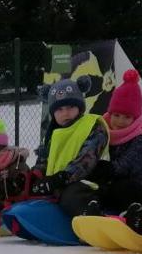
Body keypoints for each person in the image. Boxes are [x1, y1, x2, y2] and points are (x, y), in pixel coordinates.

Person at [76, 69, 142, 215]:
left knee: (123, 187)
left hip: (135, 187)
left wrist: (106, 168)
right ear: (110, 114)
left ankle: (132, 214)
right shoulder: (102, 132)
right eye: (116, 115)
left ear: (135, 119)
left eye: (126, 117)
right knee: (90, 187)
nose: (120, 121)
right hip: (109, 184)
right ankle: (93, 211)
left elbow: (127, 165)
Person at [35, 78, 110, 216]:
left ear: (79, 108)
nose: (65, 113)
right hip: (59, 185)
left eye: (70, 107)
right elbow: (45, 160)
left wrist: (61, 178)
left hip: (91, 182)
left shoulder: (92, 126)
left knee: (71, 197)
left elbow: (87, 159)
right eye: (59, 109)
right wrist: (35, 176)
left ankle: (92, 217)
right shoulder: (53, 133)